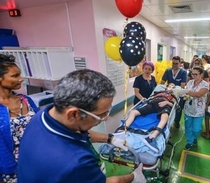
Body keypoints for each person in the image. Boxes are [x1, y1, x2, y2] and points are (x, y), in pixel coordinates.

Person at [17, 69, 146, 183]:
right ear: (73, 114)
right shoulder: (75, 163)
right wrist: (133, 177)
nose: (105, 118)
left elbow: (79, 132)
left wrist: (110, 139)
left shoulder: (42, 117)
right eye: (100, 115)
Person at [0, 54, 39, 183]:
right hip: (11, 169)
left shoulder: (26, 100)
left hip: (38, 160)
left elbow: (41, 128)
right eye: (15, 76)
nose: (21, 79)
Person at [123, 83, 178, 153]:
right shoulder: (158, 92)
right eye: (170, 86)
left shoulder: (173, 96)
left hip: (164, 104)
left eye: (173, 87)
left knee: (164, 117)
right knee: (133, 112)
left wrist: (167, 102)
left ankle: (151, 138)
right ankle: (123, 129)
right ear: (166, 87)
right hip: (152, 103)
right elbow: (150, 99)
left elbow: (174, 106)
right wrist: (146, 102)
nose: (171, 87)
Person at [177, 66, 209, 150]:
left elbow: (198, 94)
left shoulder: (205, 85)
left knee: (197, 129)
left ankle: (195, 137)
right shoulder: (190, 82)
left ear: (201, 74)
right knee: (188, 127)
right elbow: (187, 94)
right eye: (192, 74)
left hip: (199, 111)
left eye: (196, 74)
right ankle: (189, 141)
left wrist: (187, 91)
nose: (193, 76)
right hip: (188, 109)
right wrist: (184, 95)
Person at [161, 56, 187, 128]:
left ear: (180, 63)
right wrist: (168, 87)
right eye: (173, 63)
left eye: (176, 63)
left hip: (178, 94)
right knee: (168, 108)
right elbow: (162, 82)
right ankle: (168, 121)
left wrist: (174, 88)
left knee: (178, 109)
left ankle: (176, 121)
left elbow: (182, 85)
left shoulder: (183, 72)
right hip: (169, 94)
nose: (174, 65)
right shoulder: (168, 71)